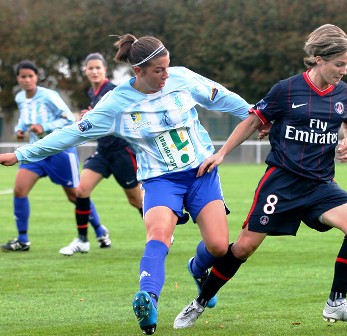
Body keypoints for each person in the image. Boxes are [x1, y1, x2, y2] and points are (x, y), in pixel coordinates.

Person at [0, 35, 267, 335]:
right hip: (159, 180)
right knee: (158, 235)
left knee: (219, 247)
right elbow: (71, 133)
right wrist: (21, 153)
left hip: (201, 173)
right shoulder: (115, 104)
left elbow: (221, 97)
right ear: (138, 71)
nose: (167, 74)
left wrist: (255, 113)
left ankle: (196, 267)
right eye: (158, 70)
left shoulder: (181, 78)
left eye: (167, 67)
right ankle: (148, 299)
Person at [174, 24, 347, 330]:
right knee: (243, 248)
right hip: (281, 184)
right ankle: (200, 302)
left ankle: (337, 302)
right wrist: (222, 152)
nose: (344, 71)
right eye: (339, 64)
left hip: (321, 185)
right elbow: (253, 120)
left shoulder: (346, 93)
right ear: (319, 59)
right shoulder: (287, 90)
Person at [0, 60, 104, 253]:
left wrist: (44, 128)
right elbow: (23, 119)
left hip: (59, 151)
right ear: (18, 79)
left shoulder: (49, 96)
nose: (27, 80)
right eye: (23, 76)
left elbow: (68, 118)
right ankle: (23, 240)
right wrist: (20, 130)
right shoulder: (20, 98)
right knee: (19, 190)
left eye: (30, 76)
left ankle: (99, 230)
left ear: (36, 77)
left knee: (75, 195)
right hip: (35, 152)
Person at [58, 52, 143, 256]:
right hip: (104, 152)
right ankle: (82, 240)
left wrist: (94, 117)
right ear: (85, 71)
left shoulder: (113, 90)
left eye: (98, 67)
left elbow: (125, 116)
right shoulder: (92, 93)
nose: (94, 71)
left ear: (105, 70)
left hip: (122, 152)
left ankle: (161, 232)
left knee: (136, 200)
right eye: (91, 68)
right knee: (81, 191)